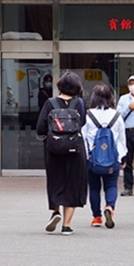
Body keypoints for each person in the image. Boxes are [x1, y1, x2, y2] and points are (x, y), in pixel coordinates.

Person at [36, 70, 87, 235]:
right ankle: (66, 225)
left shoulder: (50, 103)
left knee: (55, 181)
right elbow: (82, 122)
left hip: (54, 149)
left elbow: (41, 127)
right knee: (73, 183)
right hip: (75, 148)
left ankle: (55, 211)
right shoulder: (79, 103)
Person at [84, 83, 126, 228]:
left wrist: (86, 156)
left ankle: (96, 217)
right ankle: (109, 207)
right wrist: (122, 157)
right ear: (110, 97)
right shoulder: (116, 115)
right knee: (111, 185)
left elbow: (83, 137)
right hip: (112, 158)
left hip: (93, 159)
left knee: (94, 188)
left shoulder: (88, 115)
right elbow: (121, 139)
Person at [115, 74, 134, 197]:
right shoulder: (123, 99)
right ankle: (128, 187)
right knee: (127, 160)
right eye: (131, 84)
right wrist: (128, 108)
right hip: (127, 132)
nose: (133, 86)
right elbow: (118, 117)